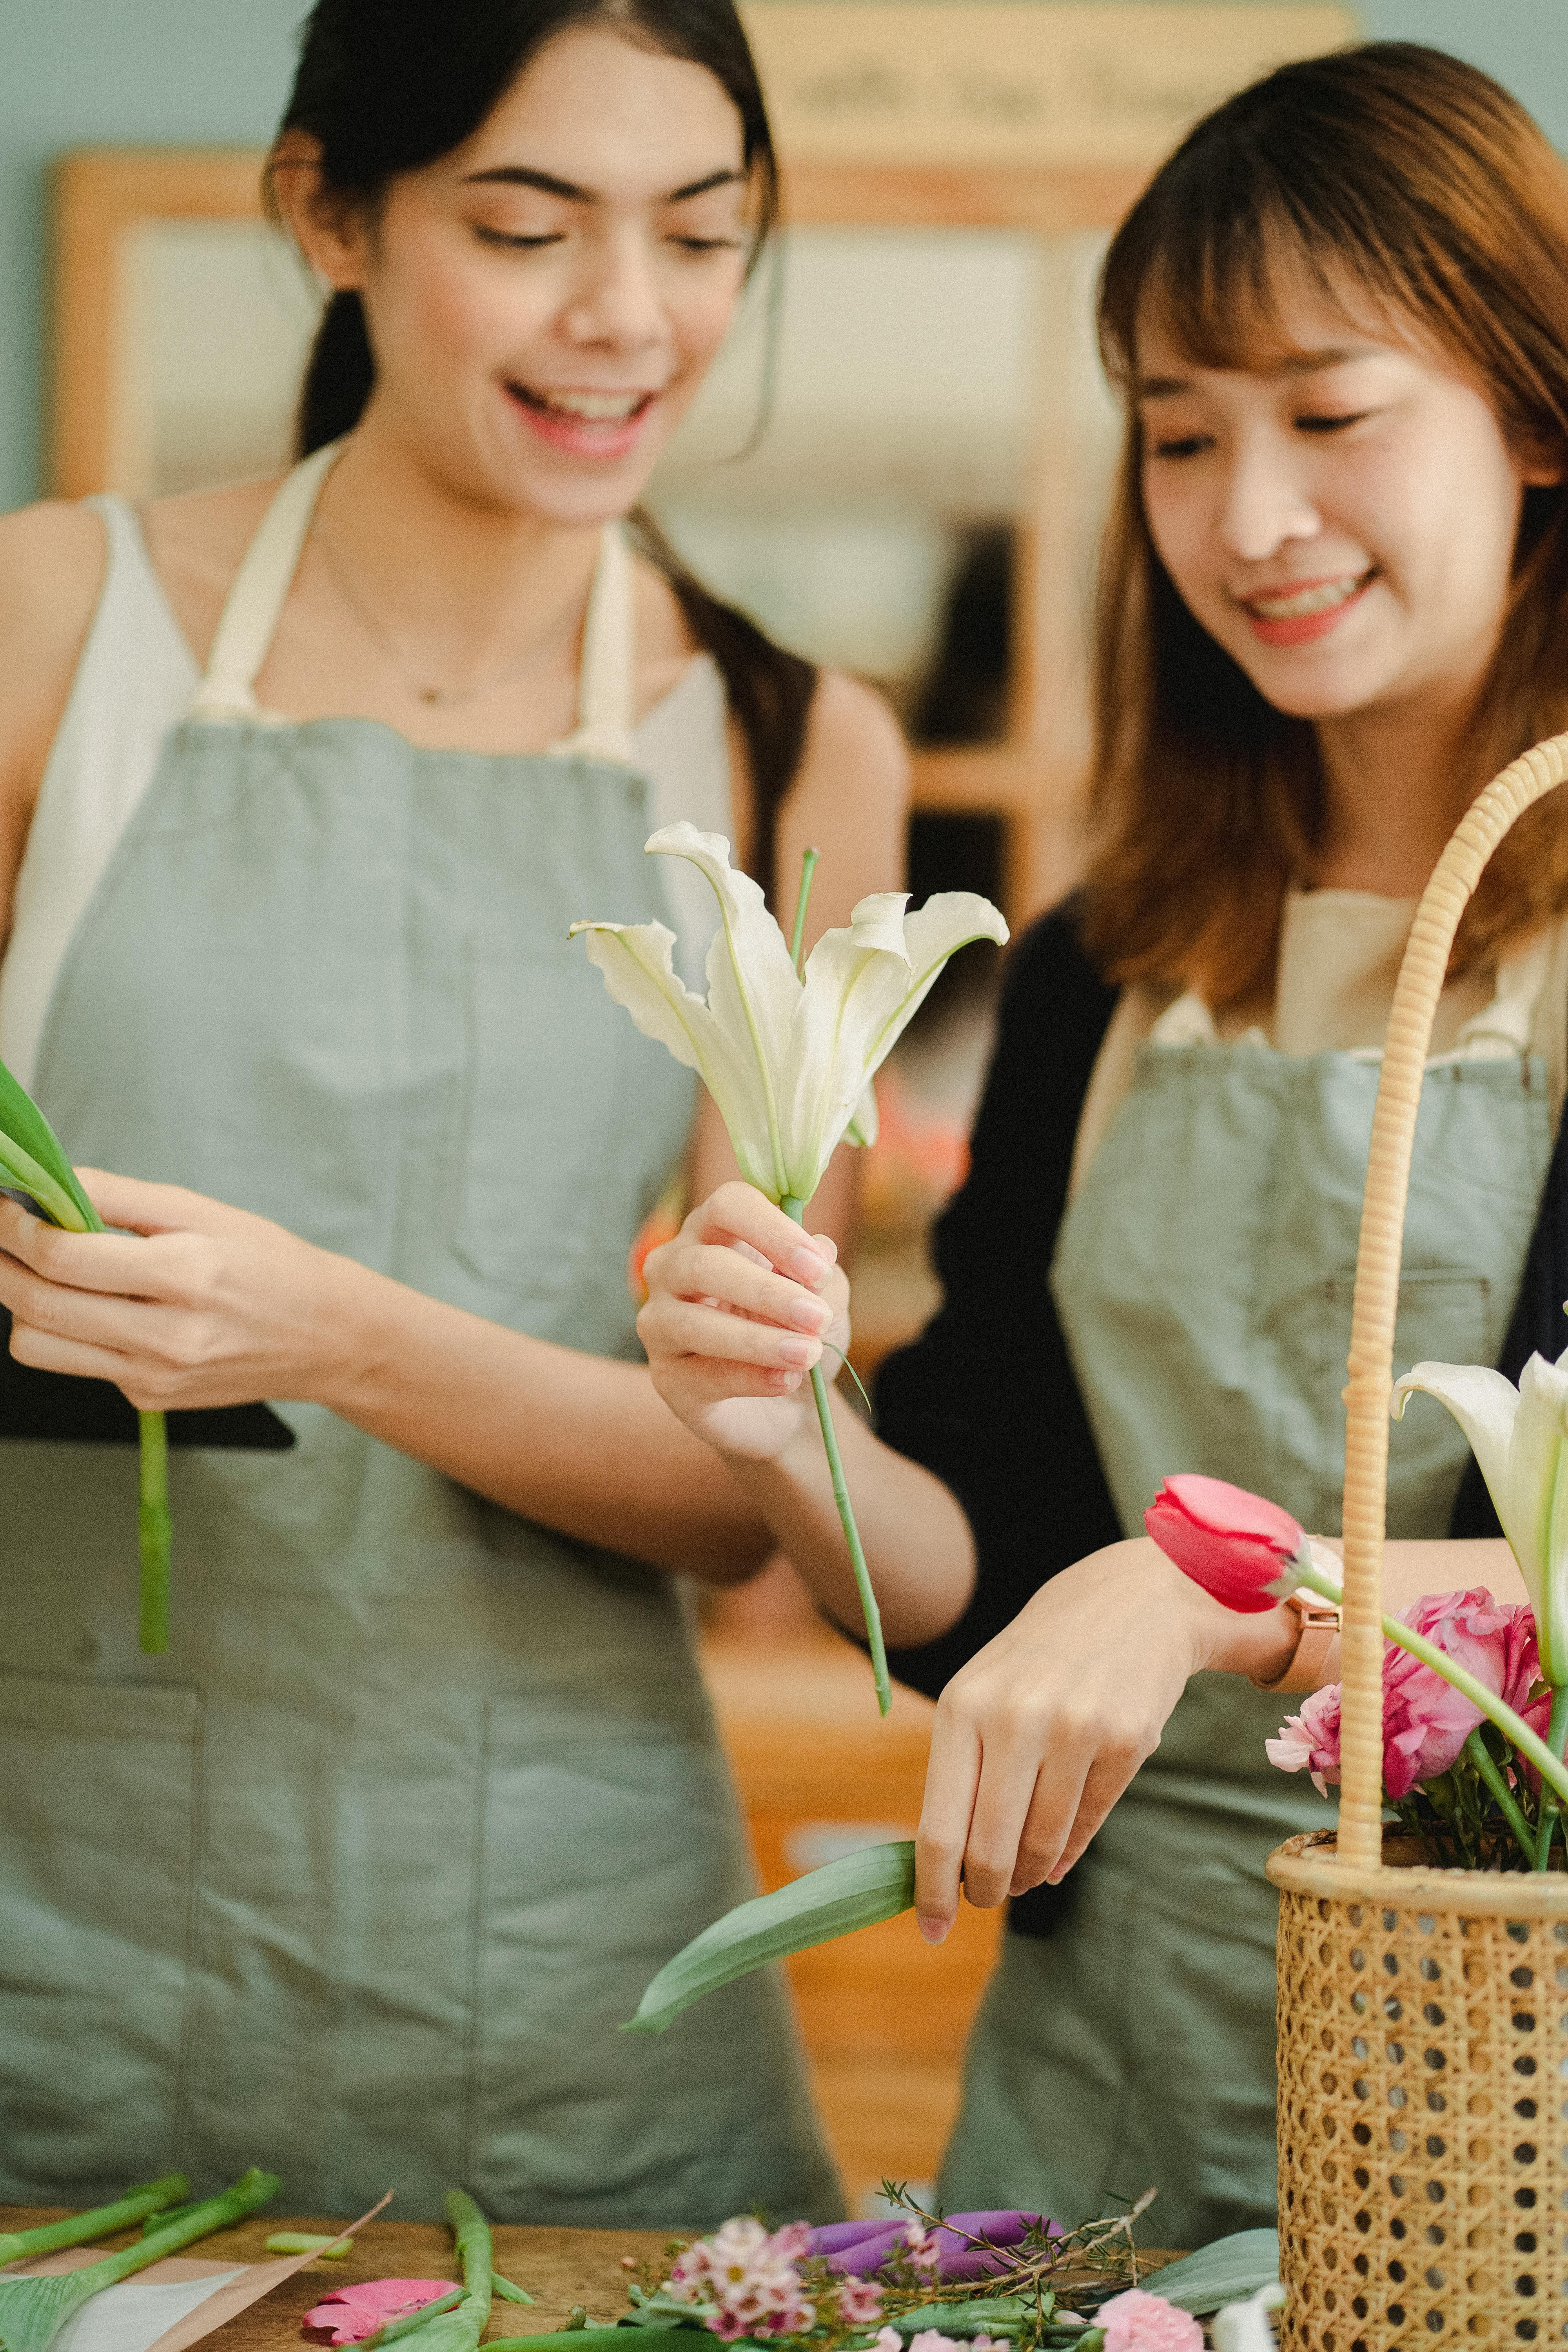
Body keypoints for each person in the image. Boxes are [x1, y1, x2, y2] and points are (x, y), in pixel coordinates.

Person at [634, 42, 1568, 2245]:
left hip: (1495, 2091)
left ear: (1539, 413)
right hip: (1108, 2072)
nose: (1248, 515)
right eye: (1179, 434)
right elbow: (1003, 1572)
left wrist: (1221, 1593)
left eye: (1332, 417)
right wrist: (781, 1436)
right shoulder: (1103, 967)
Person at [0, 0, 906, 2223]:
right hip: (50, 1911)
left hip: (567, 1963)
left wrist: (324, 1333)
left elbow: (740, 1490)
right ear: (329, 212)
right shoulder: (48, 624)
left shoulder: (799, 756)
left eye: (700, 237)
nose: (629, 317)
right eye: (528, 225)